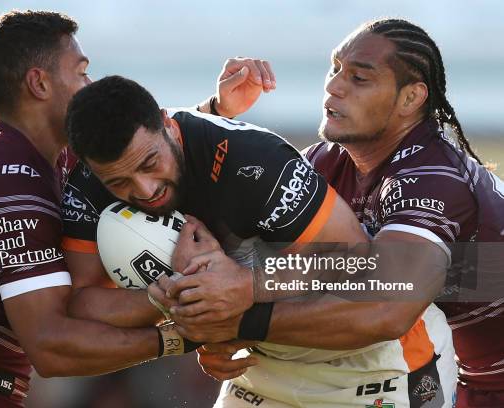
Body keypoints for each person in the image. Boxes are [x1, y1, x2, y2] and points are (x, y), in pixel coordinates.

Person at [0, 10, 275, 407]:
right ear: (39, 83)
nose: (89, 85)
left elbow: (130, 146)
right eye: (81, 72)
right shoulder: (10, 185)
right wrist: (188, 331)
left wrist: (214, 109)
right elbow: (51, 346)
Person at [165, 19, 504, 408]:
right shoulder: (325, 163)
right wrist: (216, 114)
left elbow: (386, 308)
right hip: (463, 376)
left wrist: (240, 311)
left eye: (359, 78)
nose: (333, 85)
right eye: (335, 68)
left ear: (411, 99)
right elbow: (291, 270)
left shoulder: (431, 176)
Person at [63, 75, 457, 407]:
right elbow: (84, 302)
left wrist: (246, 289)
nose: (145, 190)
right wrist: (176, 301)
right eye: (118, 183)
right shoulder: (85, 188)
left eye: (150, 164)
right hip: (261, 370)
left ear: (168, 125)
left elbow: (356, 262)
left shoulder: (252, 159)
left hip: (375, 363)